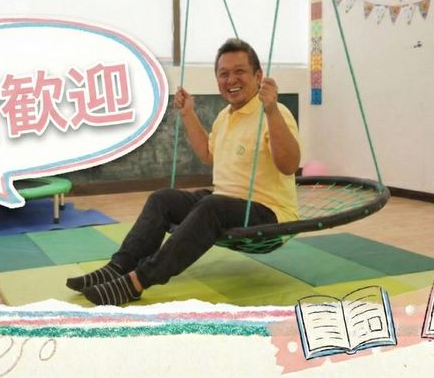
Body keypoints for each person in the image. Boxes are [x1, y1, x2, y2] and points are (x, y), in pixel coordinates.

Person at [66, 38, 301, 305]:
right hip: (226, 203)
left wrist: (271, 109)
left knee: (212, 206)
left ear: (258, 77)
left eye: (239, 72)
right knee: (163, 199)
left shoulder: (275, 113)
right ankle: (118, 267)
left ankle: (137, 281)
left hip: (268, 212)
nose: (231, 80)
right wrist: (188, 113)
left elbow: (289, 165)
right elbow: (208, 155)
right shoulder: (225, 116)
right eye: (223, 74)